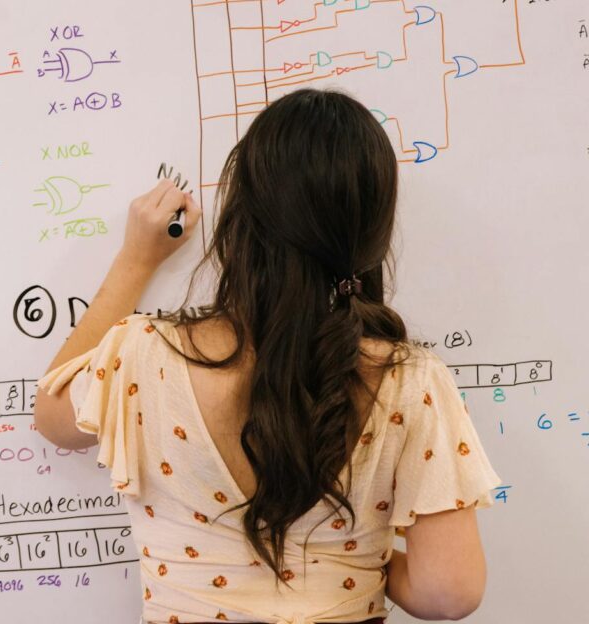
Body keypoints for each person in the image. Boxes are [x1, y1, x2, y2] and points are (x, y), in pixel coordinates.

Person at [34, 88, 501, 624]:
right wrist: (354, 558)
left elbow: (51, 416)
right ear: (371, 231)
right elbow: (450, 593)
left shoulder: (143, 355)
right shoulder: (409, 380)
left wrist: (136, 260)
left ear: (242, 217)